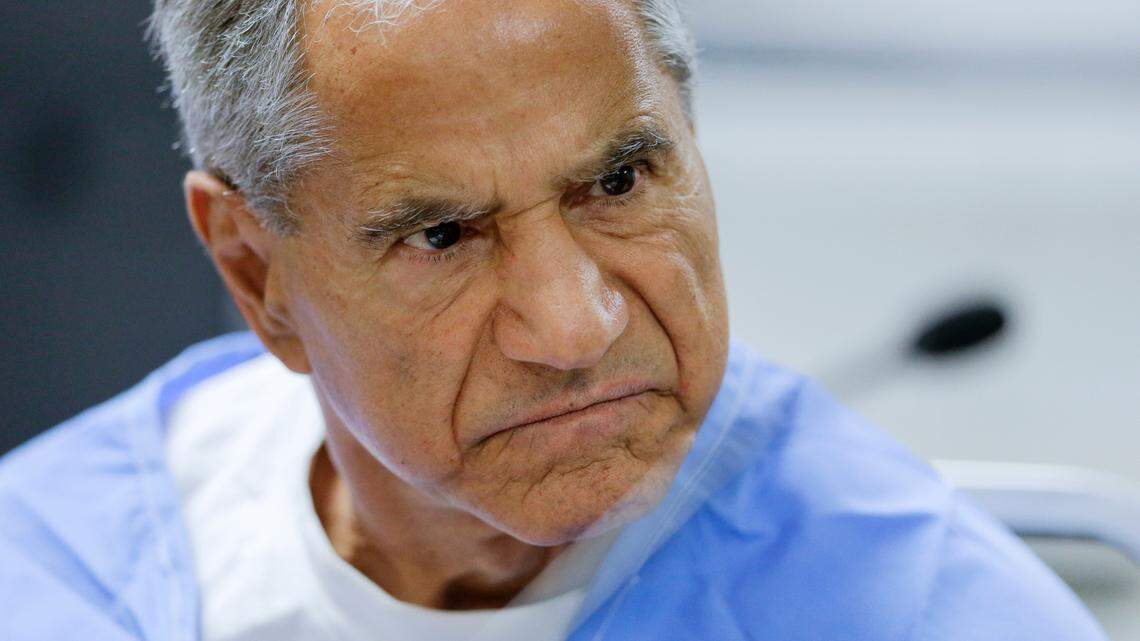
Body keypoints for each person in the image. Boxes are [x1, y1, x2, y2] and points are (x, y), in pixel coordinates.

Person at [0, 1, 1109, 640]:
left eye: (621, 179)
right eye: (440, 235)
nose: (576, 326)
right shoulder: (54, 572)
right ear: (258, 274)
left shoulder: (932, 614)